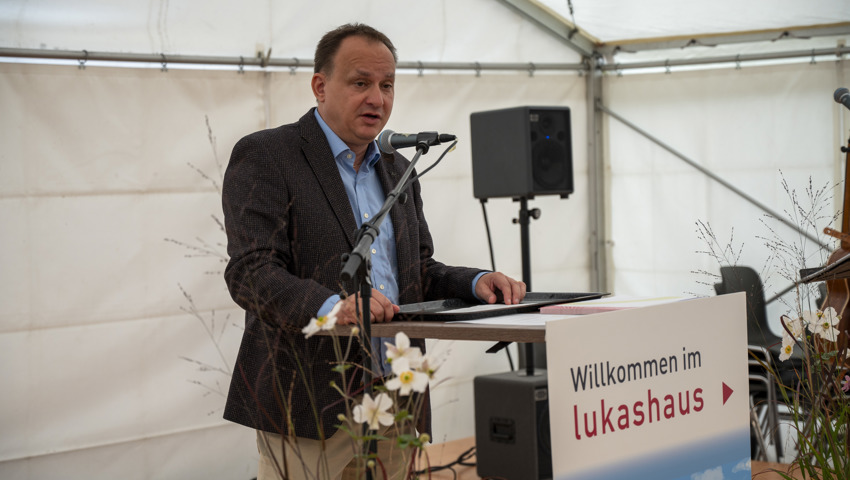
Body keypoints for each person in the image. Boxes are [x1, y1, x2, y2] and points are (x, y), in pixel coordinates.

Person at [221, 23, 526, 479]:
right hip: (309, 404)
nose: (377, 99)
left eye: (387, 86)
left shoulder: (400, 167)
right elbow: (250, 271)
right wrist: (333, 308)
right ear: (320, 87)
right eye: (361, 83)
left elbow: (416, 270)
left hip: (397, 399)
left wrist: (474, 282)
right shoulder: (268, 155)